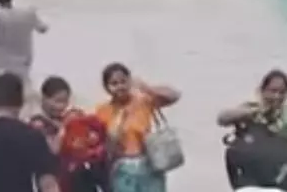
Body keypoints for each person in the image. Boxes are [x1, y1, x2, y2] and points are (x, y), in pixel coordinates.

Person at [217, 69, 287, 192]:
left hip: (280, 177)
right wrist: (253, 113)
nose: (277, 96)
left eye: (282, 92)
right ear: (262, 91)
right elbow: (222, 119)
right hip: (250, 178)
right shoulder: (249, 110)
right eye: (273, 91)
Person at [95, 62, 181, 192]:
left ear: (130, 81)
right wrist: (119, 120)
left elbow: (174, 96)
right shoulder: (103, 111)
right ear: (107, 87)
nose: (120, 87)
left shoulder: (142, 101)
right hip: (122, 167)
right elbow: (107, 146)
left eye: (123, 81)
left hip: (149, 163)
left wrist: (147, 88)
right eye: (114, 84)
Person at [29, 76, 108, 192]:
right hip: (54, 182)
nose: (61, 106)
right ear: (44, 99)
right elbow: (53, 149)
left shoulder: (71, 118)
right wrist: (65, 127)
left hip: (77, 180)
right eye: (57, 101)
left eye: (65, 101)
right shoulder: (38, 124)